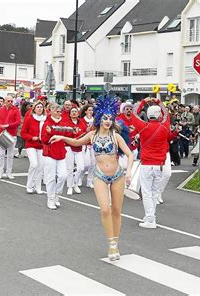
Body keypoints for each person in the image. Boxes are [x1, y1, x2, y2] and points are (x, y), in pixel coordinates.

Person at [50, 95, 133, 261]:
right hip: (99, 176)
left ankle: (116, 242)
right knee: (104, 209)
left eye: (110, 118)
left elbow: (130, 155)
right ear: (99, 119)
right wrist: (62, 137)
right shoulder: (92, 135)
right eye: (105, 118)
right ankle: (111, 244)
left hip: (117, 176)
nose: (108, 121)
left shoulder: (116, 136)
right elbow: (76, 142)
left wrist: (129, 172)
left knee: (116, 210)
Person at [131, 97, 172, 228]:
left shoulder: (143, 127)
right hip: (160, 164)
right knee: (154, 192)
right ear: (159, 115)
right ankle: (150, 216)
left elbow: (134, 113)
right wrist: (158, 102)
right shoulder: (165, 126)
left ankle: (150, 219)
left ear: (148, 115)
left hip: (147, 164)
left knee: (147, 192)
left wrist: (143, 101)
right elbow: (167, 113)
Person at [41, 104, 70, 210]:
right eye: (57, 111)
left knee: (63, 176)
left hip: (61, 153)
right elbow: (43, 140)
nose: (59, 113)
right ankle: (50, 199)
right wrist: (49, 133)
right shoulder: (47, 123)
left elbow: (69, 136)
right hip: (50, 153)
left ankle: (57, 194)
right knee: (50, 178)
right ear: (52, 112)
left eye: (60, 111)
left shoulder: (64, 123)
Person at [21, 101, 47, 194]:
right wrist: (32, 137)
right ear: (34, 109)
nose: (40, 109)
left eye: (41, 107)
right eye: (38, 107)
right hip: (31, 145)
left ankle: (38, 187)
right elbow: (23, 133)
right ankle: (29, 185)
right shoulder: (29, 119)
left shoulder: (46, 120)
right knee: (34, 164)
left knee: (41, 167)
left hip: (41, 146)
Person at [0, 96, 21, 179]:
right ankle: (0, 171)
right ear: (5, 101)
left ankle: (9, 172)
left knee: (10, 155)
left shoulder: (16, 110)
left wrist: (8, 125)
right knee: (1, 154)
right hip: (2, 134)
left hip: (12, 134)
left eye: (11, 101)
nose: (10, 102)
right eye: (8, 101)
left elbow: (18, 122)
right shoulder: (0, 110)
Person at [64, 106, 87, 195]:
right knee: (69, 168)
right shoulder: (66, 123)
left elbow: (85, 133)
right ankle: (69, 186)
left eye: (75, 111)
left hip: (79, 147)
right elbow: (64, 134)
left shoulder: (81, 123)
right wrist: (72, 133)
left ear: (78, 113)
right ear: (70, 114)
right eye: (72, 111)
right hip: (68, 146)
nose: (74, 113)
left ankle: (75, 183)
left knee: (81, 167)